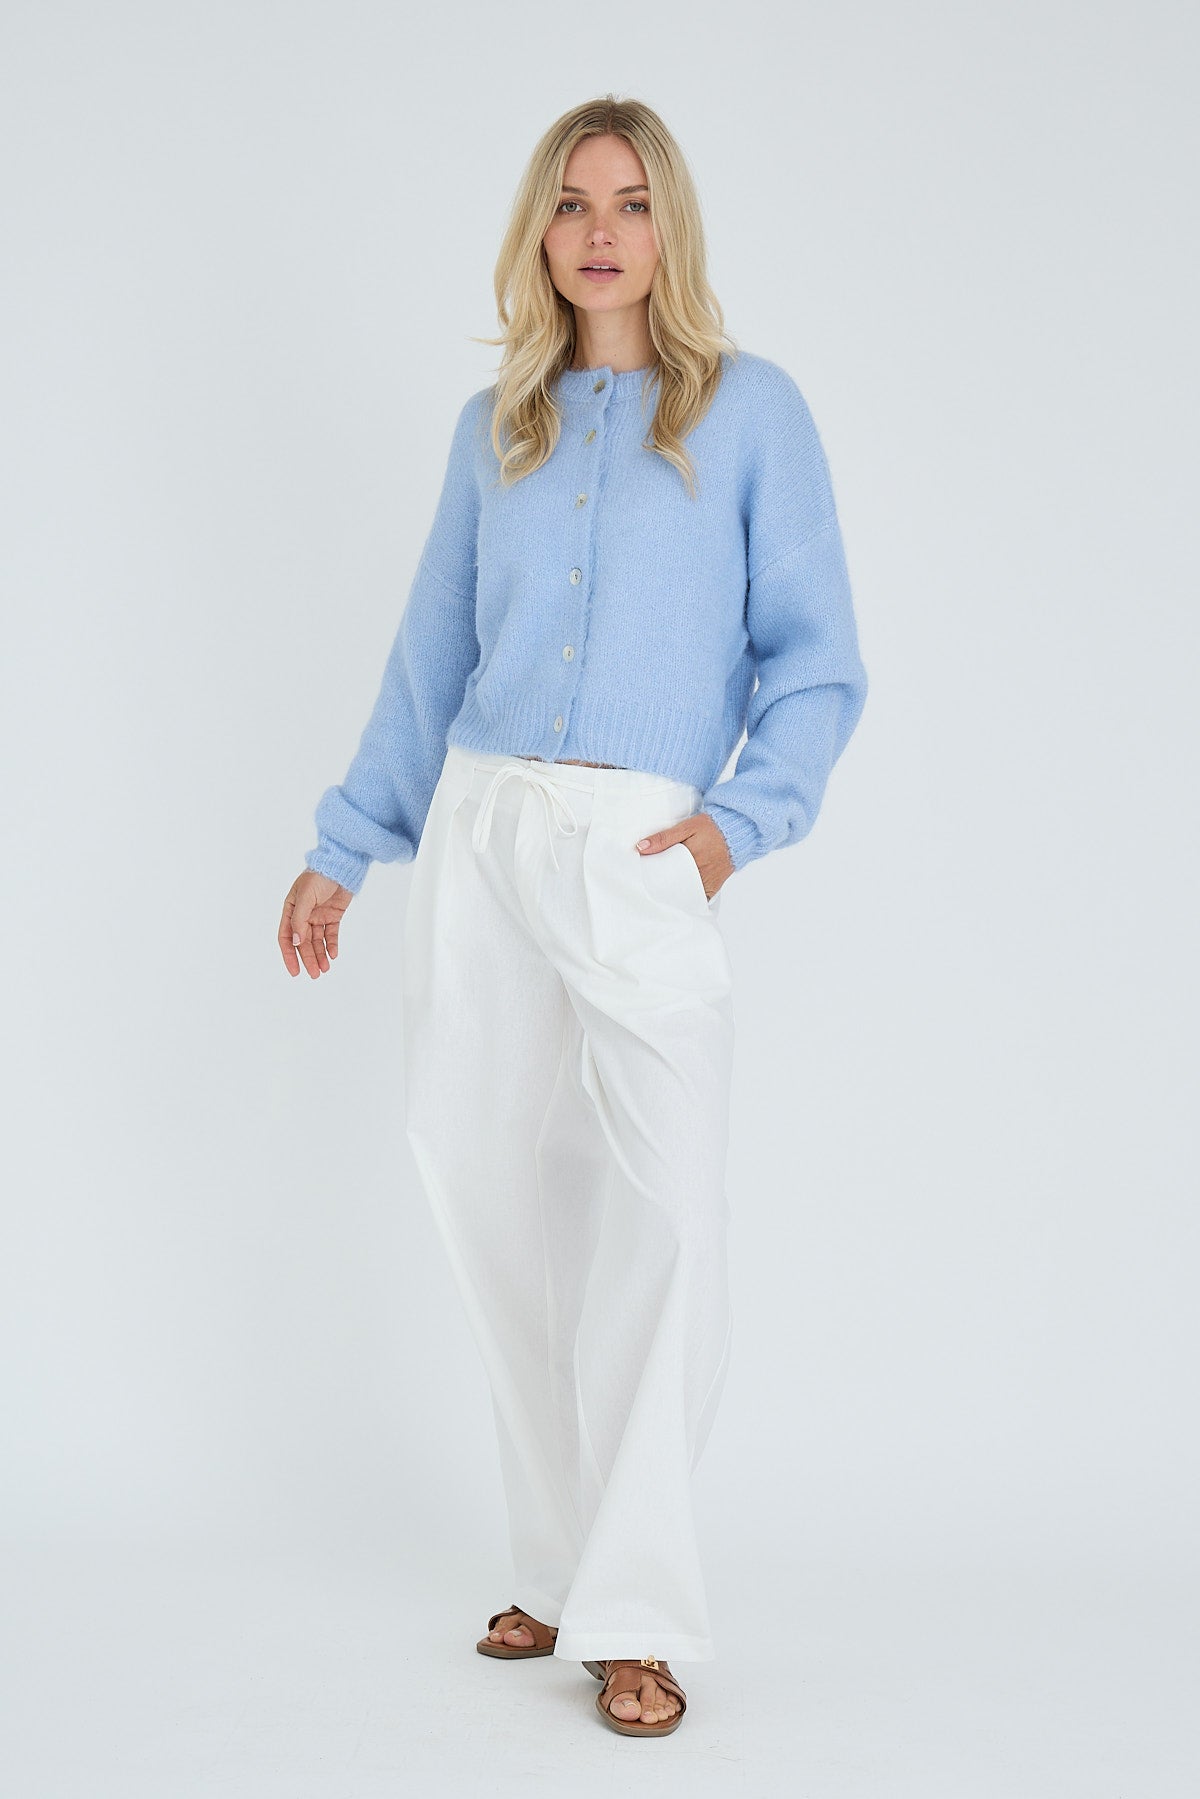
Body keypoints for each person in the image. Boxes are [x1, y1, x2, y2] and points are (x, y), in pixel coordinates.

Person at [277, 94, 868, 1739]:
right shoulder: (499, 428)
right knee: (490, 1196)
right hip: (483, 830)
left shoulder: (753, 413)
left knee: (670, 1221)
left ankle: (639, 1608)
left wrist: (731, 833)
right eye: (570, 202)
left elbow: (818, 660)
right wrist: (349, 844)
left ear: (671, 227)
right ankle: (558, 1559)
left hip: (640, 846)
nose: (600, 231)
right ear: (537, 233)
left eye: (630, 201)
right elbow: (430, 652)